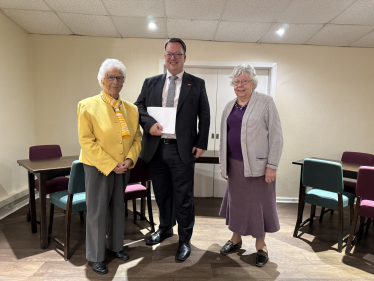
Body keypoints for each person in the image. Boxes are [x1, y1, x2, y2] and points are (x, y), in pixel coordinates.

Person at [135, 38, 210, 261]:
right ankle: (165, 228)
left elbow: (204, 116)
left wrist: (201, 143)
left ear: (184, 57)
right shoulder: (151, 82)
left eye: (177, 54)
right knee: (162, 194)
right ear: (164, 57)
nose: (173, 58)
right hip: (156, 150)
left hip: (182, 150)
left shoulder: (196, 84)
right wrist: (149, 125)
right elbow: (138, 107)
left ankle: (185, 239)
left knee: (183, 197)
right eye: (169, 54)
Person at [78, 58, 142, 275]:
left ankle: (116, 247)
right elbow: (87, 141)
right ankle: (96, 256)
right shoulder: (87, 105)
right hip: (98, 168)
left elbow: (137, 139)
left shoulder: (132, 109)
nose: (115, 81)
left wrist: (130, 160)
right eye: (110, 77)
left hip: (123, 168)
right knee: (96, 212)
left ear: (123, 82)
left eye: (119, 78)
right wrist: (110, 164)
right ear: (102, 79)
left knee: (117, 208)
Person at [218, 64, 283, 267]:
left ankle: (261, 245)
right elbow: (224, 138)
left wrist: (272, 165)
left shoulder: (265, 103)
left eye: (244, 81)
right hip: (235, 165)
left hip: (259, 167)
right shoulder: (230, 106)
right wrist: (223, 164)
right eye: (237, 82)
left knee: (258, 206)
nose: (240, 85)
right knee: (237, 203)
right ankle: (236, 239)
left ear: (252, 83)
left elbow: (276, 136)